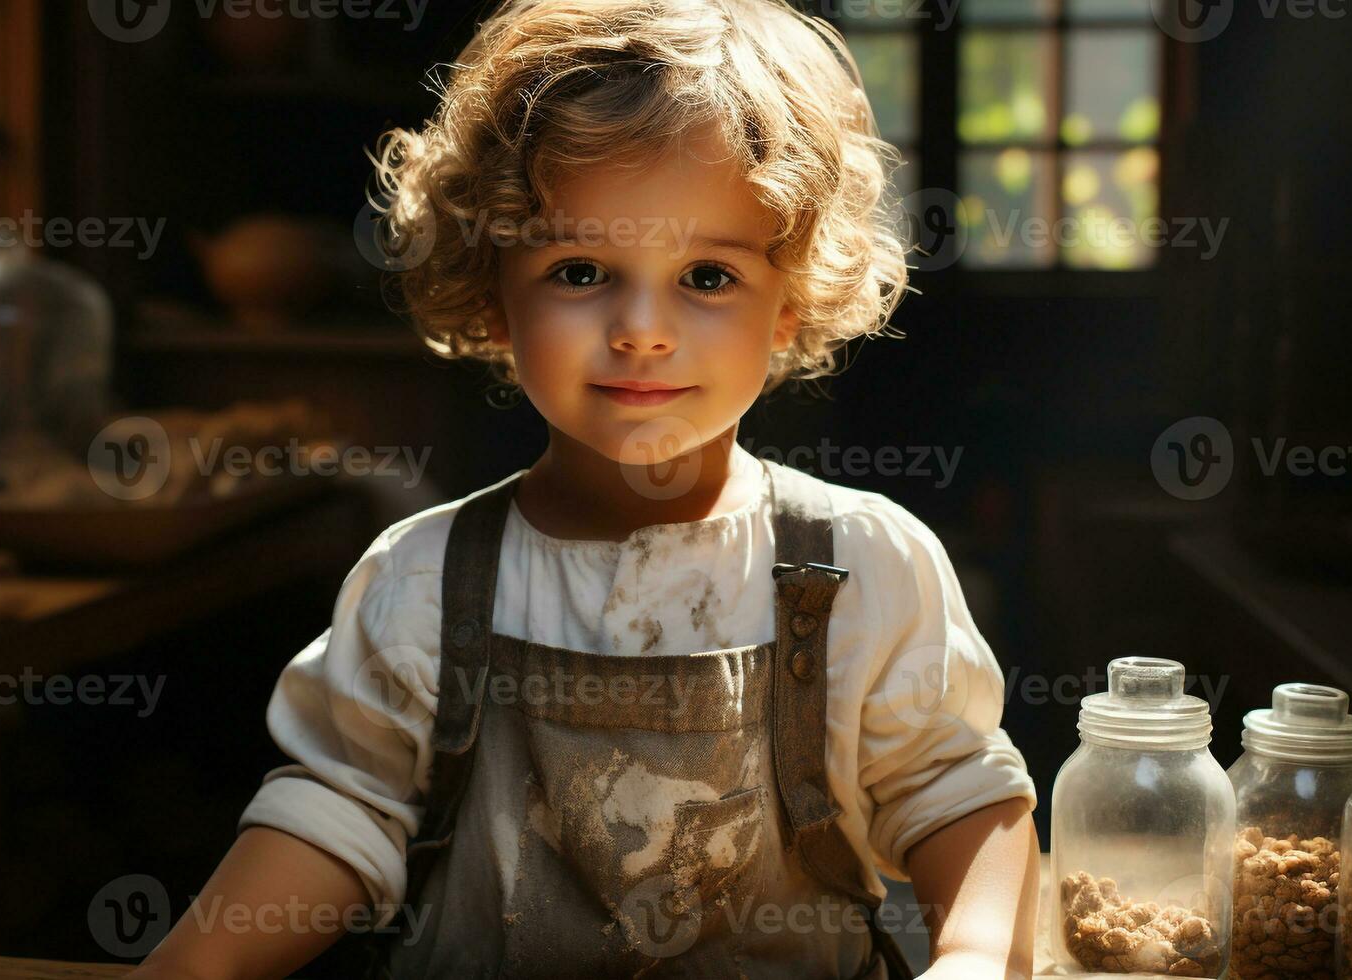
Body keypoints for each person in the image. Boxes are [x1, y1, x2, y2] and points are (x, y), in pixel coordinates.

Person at [133, 1, 1039, 976]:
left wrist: (977, 952)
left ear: (788, 302)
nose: (641, 328)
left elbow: (956, 792)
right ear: (490, 288)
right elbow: (341, 805)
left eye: (704, 275)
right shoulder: (424, 579)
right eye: (579, 268)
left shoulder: (858, 563)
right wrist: (198, 963)